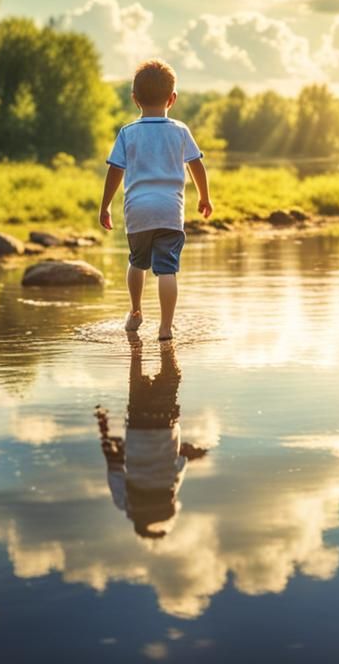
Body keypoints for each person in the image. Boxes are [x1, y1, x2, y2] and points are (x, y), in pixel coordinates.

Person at [99, 58, 213, 341]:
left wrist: (105, 206)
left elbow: (115, 170)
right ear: (172, 99)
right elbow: (196, 165)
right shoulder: (180, 130)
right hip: (169, 213)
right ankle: (165, 328)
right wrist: (204, 197)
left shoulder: (127, 132)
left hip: (138, 212)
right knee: (167, 270)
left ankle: (135, 312)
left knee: (137, 262)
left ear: (134, 99)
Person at [96, 335, 208, 540]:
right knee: (136, 377)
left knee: (172, 374)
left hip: (166, 422)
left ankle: (164, 341)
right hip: (138, 425)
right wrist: (103, 425)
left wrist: (196, 452)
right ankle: (135, 343)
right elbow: (113, 462)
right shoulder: (125, 503)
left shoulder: (169, 490)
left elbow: (181, 461)